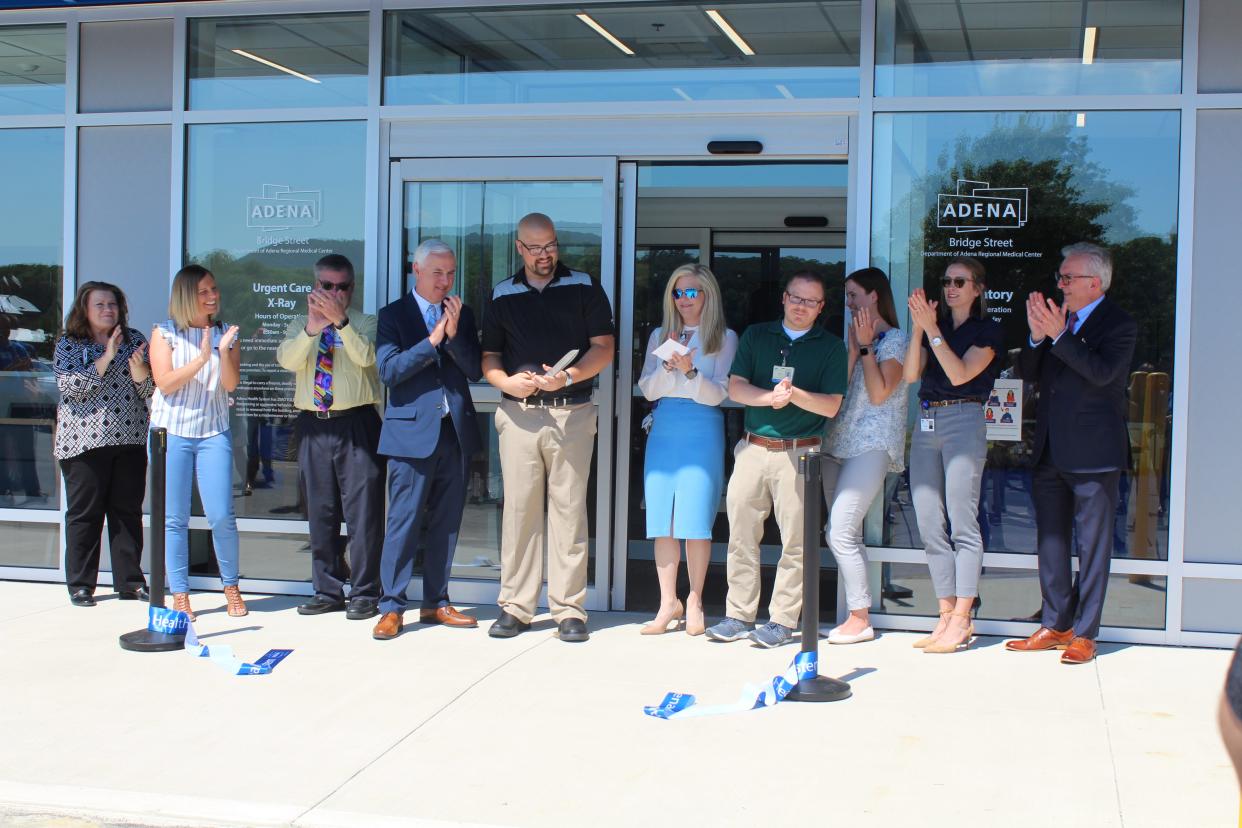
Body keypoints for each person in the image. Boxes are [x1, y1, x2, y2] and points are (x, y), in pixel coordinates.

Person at [482, 213, 615, 643]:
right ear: (518, 248)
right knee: (519, 513)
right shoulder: (502, 293)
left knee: (569, 512)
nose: (545, 256)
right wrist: (505, 382)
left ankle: (569, 609)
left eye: (551, 246)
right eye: (535, 248)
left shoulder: (584, 285)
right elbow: (489, 356)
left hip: (572, 412)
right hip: (519, 415)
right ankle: (515, 607)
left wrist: (570, 376)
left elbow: (604, 347)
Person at [1006, 242, 1137, 664]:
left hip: (1095, 454)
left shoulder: (1119, 325)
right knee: (1051, 542)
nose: (1060, 284)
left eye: (1068, 278)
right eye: (1060, 277)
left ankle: (1085, 632)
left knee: (1094, 545)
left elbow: (1101, 374)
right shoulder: (1056, 321)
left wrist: (1059, 335)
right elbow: (1028, 373)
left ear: (1094, 283)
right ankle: (1056, 622)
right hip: (1049, 450)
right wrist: (1035, 336)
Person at [705, 271, 846, 648]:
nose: (802, 307)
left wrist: (793, 394)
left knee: (797, 541)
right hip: (753, 448)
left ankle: (783, 620)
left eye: (811, 301)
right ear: (784, 299)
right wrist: (769, 398)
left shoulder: (831, 346)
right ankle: (738, 614)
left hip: (800, 451)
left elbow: (832, 406)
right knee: (740, 535)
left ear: (821, 308)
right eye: (796, 299)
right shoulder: (756, 335)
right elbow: (736, 386)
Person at [371, 241, 483, 640]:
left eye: (451, 273)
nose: (445, 281)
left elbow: (473, 370)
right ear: (416, 271)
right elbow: (389, 370)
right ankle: (391, 607)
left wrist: (453, 337)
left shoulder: (461, 314)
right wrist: (432, 340)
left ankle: (437, 601)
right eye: (437, 273)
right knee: (402, 522)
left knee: (447, 523)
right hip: (409, 436)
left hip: (453, 433)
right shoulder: (393, 315)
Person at [276, 254, 384, 621]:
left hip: (356, 423)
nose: (334, 292)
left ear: (351, 289)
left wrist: (341, 323)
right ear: (314, 286)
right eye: (326, 285)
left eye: (341, 286)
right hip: (313, 423)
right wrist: (312, 328)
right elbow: (288, 361)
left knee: (363, 514)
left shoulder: (367, 322)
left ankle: (366, 592)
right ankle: (327, 590)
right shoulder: (298, 324)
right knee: (319, 512)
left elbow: (368, 357)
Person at [903, 257, 1002, 654]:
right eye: (946, 281)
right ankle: (945, 613)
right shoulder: (934, 328)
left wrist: (932, 331)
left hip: (964, 418)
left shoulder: (988, 329)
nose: (951, 287)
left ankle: (963, 615)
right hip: (927, 420)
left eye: (960, 281)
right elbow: (911, 376)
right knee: (929, 520)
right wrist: (918, 332)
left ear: (977, 288)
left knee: (963, 520)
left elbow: (961, 374)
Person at [637, 264, 738, 636]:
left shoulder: (724, 338)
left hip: (702, 425)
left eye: (692, 292)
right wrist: (668, 367)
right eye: (678, 293)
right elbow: (648, 389)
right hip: (665, 427)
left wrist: (692, 372)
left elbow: (721, 393)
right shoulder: (660, 336)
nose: (684, 300)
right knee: (662, 520)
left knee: (696, 521)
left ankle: (695, 599)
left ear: (707, 295)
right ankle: (668, 602)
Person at [149, 264, 246, 620]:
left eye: (214, 289)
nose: (212, 296)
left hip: (212, 432)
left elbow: (232, 384)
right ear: (186, 296)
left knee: (221, 515)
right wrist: (201, 359)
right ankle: (180, 594)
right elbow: (165, 382)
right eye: (204, 291)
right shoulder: (165, 333)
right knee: (174, 518)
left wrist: (221, 353)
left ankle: (231, 586)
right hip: (171, 433)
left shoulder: (227, 333)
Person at [820, 268, 909, 644]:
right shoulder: (856, 339)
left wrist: (868, 346)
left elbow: (878, 394)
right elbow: (838, 390)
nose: (849, 303)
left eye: (854, 295)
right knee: (842, 532)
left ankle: (860, 617)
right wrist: (854, 351)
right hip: (835, 442)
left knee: (839, 529)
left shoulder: (897, 340)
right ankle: (854, 613)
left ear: (875, 296)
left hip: (872, 445)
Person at [53, 282, 152, 607]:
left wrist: (139, 371)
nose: (108, 310)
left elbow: (149, 391)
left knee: (127, 513)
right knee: (84, 515)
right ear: (85, 309)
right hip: (84, 444)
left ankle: (131, 583)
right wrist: (108, 356)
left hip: (130, 439)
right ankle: (81, 585)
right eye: (100, 305)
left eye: (113, 304)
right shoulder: (69, 343)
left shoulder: (135, 339)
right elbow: (71, 388)